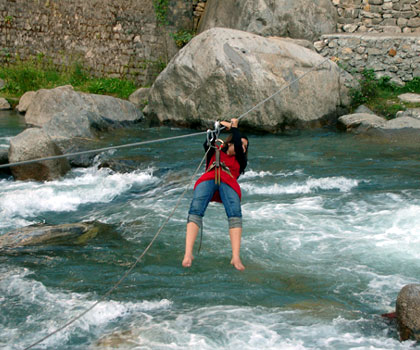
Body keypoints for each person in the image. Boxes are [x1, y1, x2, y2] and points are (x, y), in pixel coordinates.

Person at [182, 118, 249, 271]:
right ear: (229, 143)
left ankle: (236, 257)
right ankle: (188, 254)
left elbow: (238, 147)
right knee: (196, 209)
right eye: (241, 143)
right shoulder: (215, 150)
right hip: (209, 178)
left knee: (235, 213)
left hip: (228, 183)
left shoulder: (241, 160)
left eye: (246, 146)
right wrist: (219, 128)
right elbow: (208, 142)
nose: (243, 148)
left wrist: (235, 129)